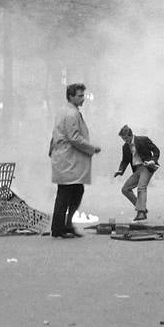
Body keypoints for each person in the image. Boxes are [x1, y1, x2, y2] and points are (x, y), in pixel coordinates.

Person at [48, 83, 101, 238]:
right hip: (68, 159)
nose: (82, 98)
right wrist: (92, 148)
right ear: (71, 96)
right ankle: (59, 228)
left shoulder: (65, 111)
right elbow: (74, 137)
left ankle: (66, 224)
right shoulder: (72, 114)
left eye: (83, 95)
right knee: (66, 193)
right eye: (79, 96)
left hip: (66, 159)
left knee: (74, 191)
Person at [114, 125, 160, 222]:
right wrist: (120, 170)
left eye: (126, 138)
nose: (125, 141)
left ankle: (141, 212)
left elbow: (156, 150)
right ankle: (141, 208)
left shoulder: (143, 140)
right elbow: (125, 160)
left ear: (131, 135)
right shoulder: (125, 147)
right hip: (137, 169)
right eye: (123, 139)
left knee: (141, 187)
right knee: (125, 189)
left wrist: (152, 160)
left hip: (147, 167)